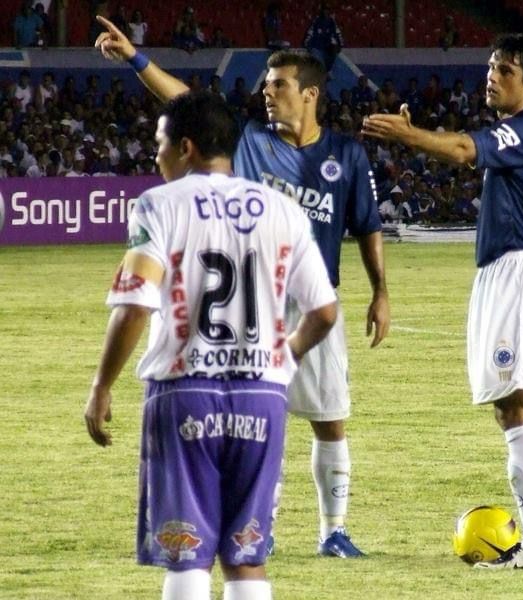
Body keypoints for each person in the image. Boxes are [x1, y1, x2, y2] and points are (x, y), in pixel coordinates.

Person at [95, 16, 390, 558]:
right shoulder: (249, 140)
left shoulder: (345, 154)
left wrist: (381, 292)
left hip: (318, 295)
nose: (265, 93)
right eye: (264, 84)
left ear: (309, 93)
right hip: (257, 300)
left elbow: (367, 227)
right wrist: (136, 58)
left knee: (330, 417)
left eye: (276, 85)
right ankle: (260, 528)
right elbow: (188, 100)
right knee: (259, 416)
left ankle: (333, 531)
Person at [83, 90, 338, 600]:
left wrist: (102, 385)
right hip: (262, 398)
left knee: (187, 556)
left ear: (186, 147)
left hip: (184, 393)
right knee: (247, 558)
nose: (155, 156)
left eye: (160, 144)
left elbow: (135, 305)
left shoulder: (158, 205)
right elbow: (324, 311)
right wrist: (283, 354)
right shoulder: (281, 210)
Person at [363, 33, 523, 570]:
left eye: (505, 70)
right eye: (491, 67)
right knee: (517, 408)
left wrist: (409, 134)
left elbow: (465, 149)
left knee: (515, 409)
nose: (492, 76)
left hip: (515, 269)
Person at [303, 1, 343, 72]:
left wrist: (341, 44)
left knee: (333, 49)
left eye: (327, 10)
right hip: (316, 47)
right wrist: (307, 43)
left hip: (326, 47)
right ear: (321, 10)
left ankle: (328, 71)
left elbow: (337, 33)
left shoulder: (331, 21)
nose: (325, 11)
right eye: (324, 9)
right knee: (317, 61)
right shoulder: (316, 21)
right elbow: (310, 32)